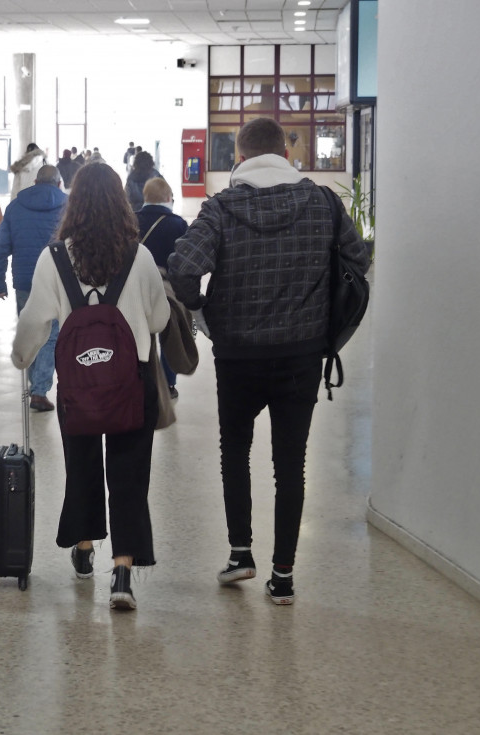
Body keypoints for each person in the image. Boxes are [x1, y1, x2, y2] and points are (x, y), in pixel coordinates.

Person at [166, 117, 370, 605]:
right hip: (301, 353)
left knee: (234, 451)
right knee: (290, 465)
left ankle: (241, 555)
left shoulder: (220, 208)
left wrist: (202, 312)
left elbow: (182, 268)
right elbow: (358, 260)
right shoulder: (323, 201)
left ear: (239, 157)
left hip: (238, 354)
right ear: (286, 153)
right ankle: (283, 577)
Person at [11, 163, 169, 611]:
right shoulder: (138, 256)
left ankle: (83, 547)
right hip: (132, 382)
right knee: (129, 475)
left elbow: (35, 320)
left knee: (81, 466)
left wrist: (22, 357)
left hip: (79, 383)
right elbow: (158, 320)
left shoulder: (55, 257)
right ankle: (122, 572)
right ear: (122, 203)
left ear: (73, 203)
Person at [0, 165, 68, 412]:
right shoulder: (68, 206)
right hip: (58, 279)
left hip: (24, 280)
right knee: (51, 335)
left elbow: (1, 246)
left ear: (35, 181)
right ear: (58, 184)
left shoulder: (15, 206)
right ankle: (39, 390)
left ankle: (37, 386)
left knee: (30, 328)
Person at [136, 177, 189, 399]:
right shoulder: (178, 224)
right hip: (168, 290)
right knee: (169, 336)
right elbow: (186, 261)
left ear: (145, 198)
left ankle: (143, 382)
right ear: (168, 198)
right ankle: (168, 384)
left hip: (137, 288)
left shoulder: (130, 220)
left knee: (141, 336)